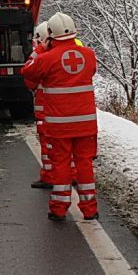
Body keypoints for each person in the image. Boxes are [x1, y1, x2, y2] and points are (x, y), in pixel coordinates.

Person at [22, 12, 99, 222]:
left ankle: (59, 208)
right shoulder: (89, 55)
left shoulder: (46, 58)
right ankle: (90, 209)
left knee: (61, 164)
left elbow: (27, 72)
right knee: (84, 164)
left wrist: (41, 49)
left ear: (50, 34)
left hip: (59, 125)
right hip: (86, 124)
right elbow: (90, 72)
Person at [29, 21, 54, 189]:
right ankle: (72, 174)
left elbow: (28, 75)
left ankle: (49, 176)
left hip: (45, 110)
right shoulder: (69, 54)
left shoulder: (41, 57)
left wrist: (38, 51)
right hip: (64, 110)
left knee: (47, 144)